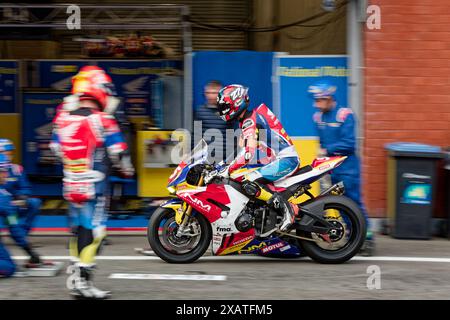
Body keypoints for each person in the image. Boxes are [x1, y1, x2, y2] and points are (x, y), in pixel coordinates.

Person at [50, 65, 134, 299]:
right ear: (99, 89)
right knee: (95, 232)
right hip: (95, 186)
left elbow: (55, 148)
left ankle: (74, 275)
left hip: (70, 185)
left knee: (77, 230)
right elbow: (119, 154)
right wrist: (125, 169)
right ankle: (83, 282)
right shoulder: (103, 120)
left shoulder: (63, 118)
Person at [205, 84, 300, 234]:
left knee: (248, 181)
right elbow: (240, 151)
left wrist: (228, 169)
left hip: (286, 160)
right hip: (276, 160)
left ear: (235, 103)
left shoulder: (251, 120)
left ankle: (287, 209)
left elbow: (248, 154)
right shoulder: (247, 120)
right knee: (241, 176)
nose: (222, 110)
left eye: (224, 106)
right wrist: (222, 166)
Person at [308, 80, 374, 256]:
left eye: (319, 100)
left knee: (355, 203)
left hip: (349, 169)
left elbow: (350, 144)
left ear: (329, 98)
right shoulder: (318, 117)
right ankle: (354, 237)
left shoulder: (344, 115)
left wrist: (328, 150)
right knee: (341, 205)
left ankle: (367, 239)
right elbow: (322, 143)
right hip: (333, 169)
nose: (316, 104)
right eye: (315, 100)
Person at [0, 153, 46, 278]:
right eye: (3, 171)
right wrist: (30, 252)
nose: (7, 174)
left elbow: (25, 189)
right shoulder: (4, 197)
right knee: (9, 267)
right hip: (10, 209)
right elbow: (13, 228)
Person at [0, 139, 41, 237]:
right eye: (6, 152)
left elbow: (26, 187)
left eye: (10, 152)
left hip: (12, 203)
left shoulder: (17, 169)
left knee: (34, 202)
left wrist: (21, 196)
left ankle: (21, 234)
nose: (9, 155)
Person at [194, 80, 235, 162]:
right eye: (208, 93)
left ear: (221, 94)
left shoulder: (228, 111)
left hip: (225, 159)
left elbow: (233, 136)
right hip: (205, 159)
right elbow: (196, 137)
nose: (211, 96)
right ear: (205, 94)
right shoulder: (199, 111)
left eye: (214, 93)